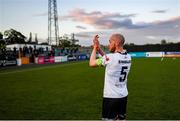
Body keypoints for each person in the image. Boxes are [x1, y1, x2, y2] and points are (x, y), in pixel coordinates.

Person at [89, 33, 131, 120]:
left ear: (116, 43)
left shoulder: (111, 58)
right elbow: (108, 58)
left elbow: (92, 63)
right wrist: (99, 49)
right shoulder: (128, 57)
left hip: (111, 98)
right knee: (121, 119)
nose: (109, 45)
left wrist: (94, 48)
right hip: (123, 96)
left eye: (110, 42)